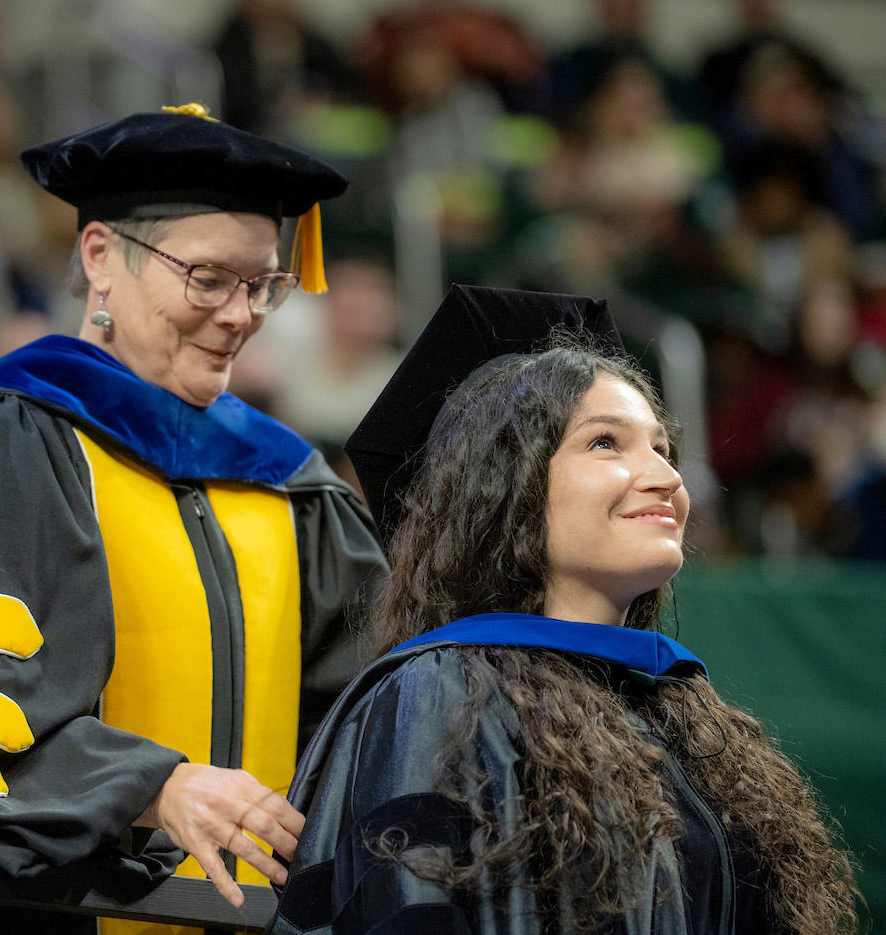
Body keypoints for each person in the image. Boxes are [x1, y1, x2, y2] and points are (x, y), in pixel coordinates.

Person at [0, 106, 387, 935]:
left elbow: (361, 721)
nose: (240, 314)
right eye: (207, 279)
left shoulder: (289, 487)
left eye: (262, 284)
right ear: (100, 258)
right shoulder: (6, 441)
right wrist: (153, 786)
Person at [271, 286, 859, 934]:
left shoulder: (677, 709)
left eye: (663, 449)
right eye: (607, 442)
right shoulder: (439, 693)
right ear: (503, 490)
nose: (666, 476)